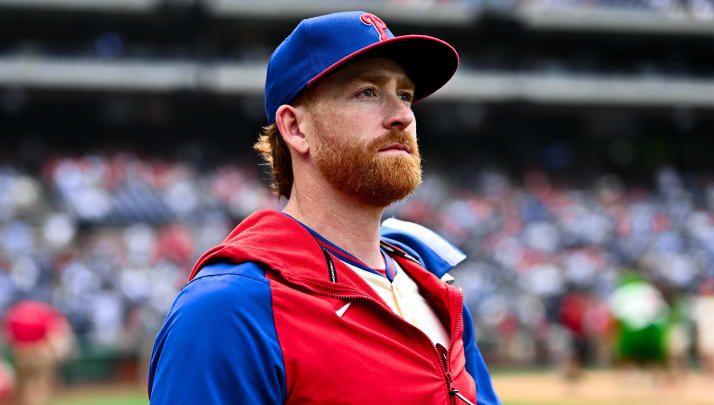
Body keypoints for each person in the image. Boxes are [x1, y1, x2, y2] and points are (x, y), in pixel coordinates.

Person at [148, 11, 501, 405]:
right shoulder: (229, 311)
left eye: (404, 94)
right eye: (367, 92)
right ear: (296, 128)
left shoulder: (435, 290)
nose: (402, 115)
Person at [2, 301, 73, 405]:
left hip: (25, 356)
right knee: (34, 390)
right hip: (37, 357)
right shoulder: (45, 316)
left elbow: (7, 339)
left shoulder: (16, 315)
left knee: (30, 390)